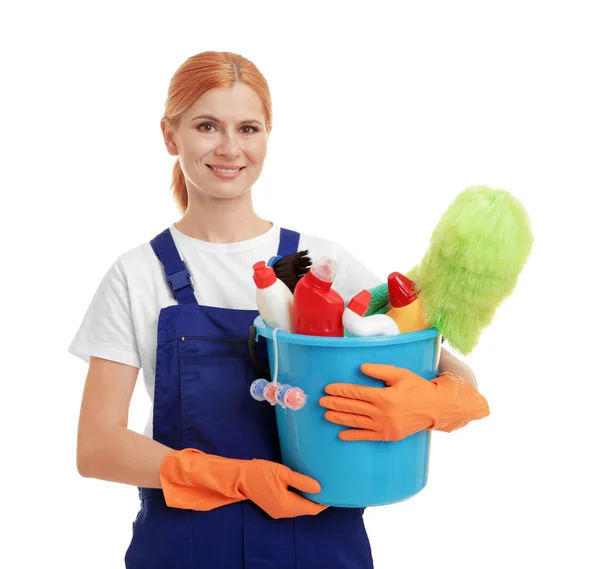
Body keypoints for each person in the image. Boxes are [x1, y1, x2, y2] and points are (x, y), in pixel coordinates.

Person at [69, 51, 489, 569]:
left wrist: (439, 399)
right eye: (207, 126)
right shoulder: (137, 275)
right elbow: (97, 446)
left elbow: (433, 357)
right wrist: (235, 478)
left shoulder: (322, 265)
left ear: (267, 135)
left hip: (319, 546)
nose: (229, 148)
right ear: (169, 135)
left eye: (248, 128)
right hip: (185, 550)